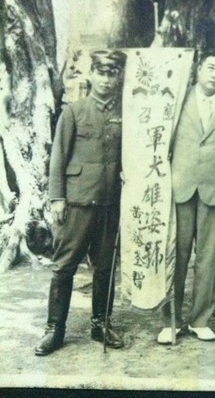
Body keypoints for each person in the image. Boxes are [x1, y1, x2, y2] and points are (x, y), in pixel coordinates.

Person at [35, 50, 127, 356]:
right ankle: (54, 330)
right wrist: (57, 197)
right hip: (76, 201)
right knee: (64, 267)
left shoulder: (127, 114)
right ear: (91, 75)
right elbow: (58, 156)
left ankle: (101, 323)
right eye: (101, 72)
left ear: (118, 76)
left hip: (110, 203)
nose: (106, 79)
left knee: (105, 268)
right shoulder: (74, 111)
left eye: (112, 73)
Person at [156, 50, 215, 344]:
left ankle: (200, 320)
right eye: (211, 67)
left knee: (207, 258)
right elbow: (159, 145)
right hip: (179, 189)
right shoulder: (178, 101)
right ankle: (171, 320)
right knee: (176, 256)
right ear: (199, 69)